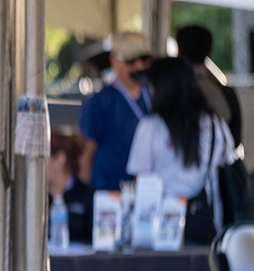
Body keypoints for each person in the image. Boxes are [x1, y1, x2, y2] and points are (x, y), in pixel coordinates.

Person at [127, 57, 235, 241]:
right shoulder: (216, 124)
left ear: (163, 89)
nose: (150, 91)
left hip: (159, 228)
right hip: (208, 226)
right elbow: (230, 168)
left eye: (152, 86)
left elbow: (141, 183)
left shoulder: (150, 127)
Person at [77, 32, 154, 191]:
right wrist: (84, 198)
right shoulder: (100, 101)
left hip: (149, 193)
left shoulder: (157, 96)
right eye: (131, 60)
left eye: (145, 59)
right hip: (110, 195)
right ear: (114, 60)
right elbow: (87, 154)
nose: (139, 66)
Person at [176, 25, 242, 147]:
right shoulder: (225, 92)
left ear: (179, 51)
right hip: (218, 163)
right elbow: (235, 140)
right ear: (209, 50)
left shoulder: (172, 90)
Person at [47, 134, 95, 244]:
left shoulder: (89, 196)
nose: (36, 164)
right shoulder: (36, 199)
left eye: (42, 158)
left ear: (60, 160)